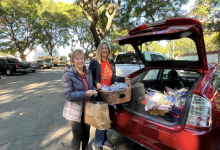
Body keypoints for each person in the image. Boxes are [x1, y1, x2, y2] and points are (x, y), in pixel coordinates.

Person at [89, 42, 130, 150]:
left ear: (108, 50)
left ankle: (105, 141)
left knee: (106, 118)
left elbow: (113, 78)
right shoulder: (94, 62)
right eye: (102, 48)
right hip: (99, 94)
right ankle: (97, 143)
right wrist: (95, 83)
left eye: (106, 48)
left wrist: (123, 79)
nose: (104, 50)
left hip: (109, 94)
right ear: (99, 50)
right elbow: (89, 76)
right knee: (101, 119)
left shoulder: (111, 62)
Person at [62, 49, 97, 150]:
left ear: (85, 59)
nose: (80, 61)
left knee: (86, 134)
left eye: (81, 58)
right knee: (78, 136)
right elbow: (67, 94)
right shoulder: (68, 74)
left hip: (87, 109)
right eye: (77, 59)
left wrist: (94, 91)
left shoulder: (88, 72)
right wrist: (85, 94)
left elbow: (91, 86)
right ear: (73, 60)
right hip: (74, 110)